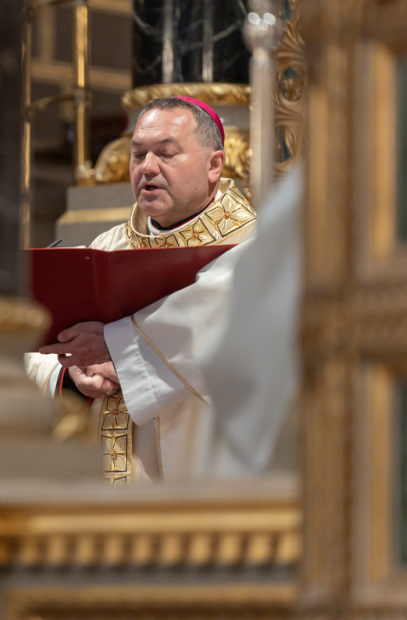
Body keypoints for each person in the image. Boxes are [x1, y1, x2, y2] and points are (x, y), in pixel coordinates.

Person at [27, 97, 257, 484]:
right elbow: (42, 349)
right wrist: (74, 372)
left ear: (214, 165)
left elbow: (226, 337)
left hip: (206, 485)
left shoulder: (255, 249)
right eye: (138, 155)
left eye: (166, 153)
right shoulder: (107, 247)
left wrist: (114, 347)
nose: (147, 167)